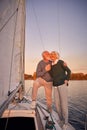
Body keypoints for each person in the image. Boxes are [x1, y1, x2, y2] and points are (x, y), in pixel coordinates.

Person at [49, 51, 71, 129]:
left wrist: (67, 79)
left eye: (54, 54)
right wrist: (48, 70)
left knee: (64, 105)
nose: (52, 55)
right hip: (55, 86)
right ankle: (61, 120)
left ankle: (66, 123)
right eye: (51, 54)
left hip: (62, 85)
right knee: (57, 105)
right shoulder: (51, 65)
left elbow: (69, 71)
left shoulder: (61, 62)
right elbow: (52, 75)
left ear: (57, 56)